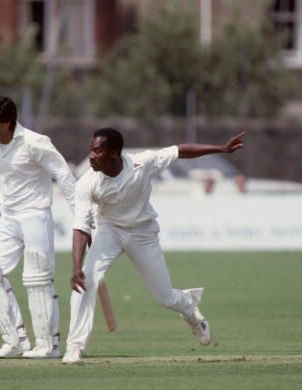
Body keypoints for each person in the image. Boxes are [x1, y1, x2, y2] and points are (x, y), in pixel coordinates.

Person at [62, 127, 245, 364]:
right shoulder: (87, 182)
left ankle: (189, 307)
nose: (92, 156)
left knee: (165, 297)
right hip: (110, 231)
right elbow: (81, 228)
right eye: (91, 151)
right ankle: (74, 346)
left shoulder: (143, 162)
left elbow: (180, 151)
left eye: (98, 151)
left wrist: (220, 149)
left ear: (115, 153)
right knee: (86, 281)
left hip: (142, 232)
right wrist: (77, 267)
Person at [0, 96, 76, 359]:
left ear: (7, 122)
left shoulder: (35, 142)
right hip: (9, 218)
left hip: (35, 215)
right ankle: (15, 340)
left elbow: (63, 175)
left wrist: (82, 218)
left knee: (37, 278)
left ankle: (48, 344)